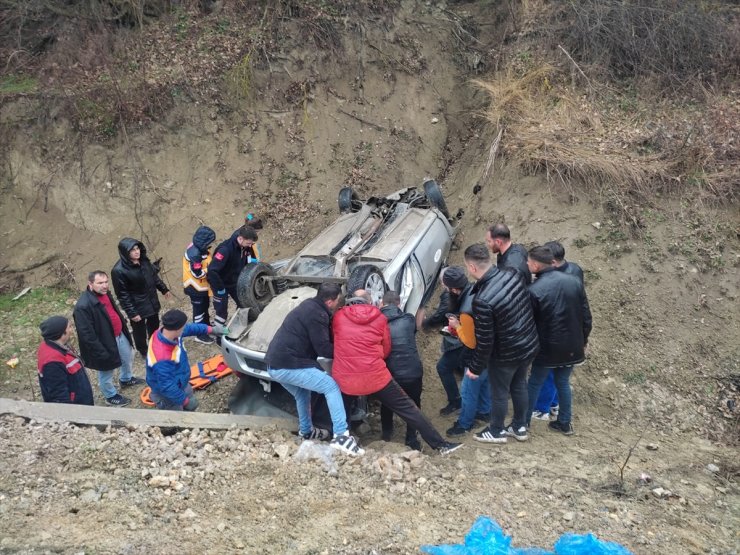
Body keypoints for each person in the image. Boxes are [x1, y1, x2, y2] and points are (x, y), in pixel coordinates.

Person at [332, 291, 463, 455]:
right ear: (372, 302)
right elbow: (386, 349)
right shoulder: (380, 319)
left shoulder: (338, 317)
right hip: (376, 377)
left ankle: (339, 443)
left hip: (346, 378)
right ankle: (441, 445)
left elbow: (335, 340)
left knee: (340, 410)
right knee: (409, 409)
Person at [264, 283, 364, 456]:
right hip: (287, 364)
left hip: (274, 364)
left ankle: (306, 432)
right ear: (331, 302)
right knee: (330, 386)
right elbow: (323, 349)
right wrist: (348, 350)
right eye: (338, 301)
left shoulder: (308, 305)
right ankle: (341, 436)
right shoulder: (318, 315)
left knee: (302, 394)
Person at [463, 243, 539, 444]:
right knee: (519, 385)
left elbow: (485, 340)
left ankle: (496, 431)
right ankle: (519, 426)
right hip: (527, 344)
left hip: (505, 354)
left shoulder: (482, 300)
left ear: (472, 268)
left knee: (499, 393)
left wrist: (475, 367)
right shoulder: (513, 274)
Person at [525, 246, 592, 435]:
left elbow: (529, 325)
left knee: (535, 382)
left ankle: (522, 423)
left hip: (547, 348)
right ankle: (564, 422)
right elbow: (586, 316)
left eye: (529, 262)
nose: (527, 264)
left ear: (536, 265)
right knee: (562, 382)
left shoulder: (534, 290)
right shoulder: (574, 281)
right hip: (573, 346)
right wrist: (583, 340)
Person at [74, 271, 143, 406]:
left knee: (128, 356)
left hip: (119, 334)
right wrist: (100, 351)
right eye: (100, 283)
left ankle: (126, 379)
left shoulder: (106, 293)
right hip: (105, 341)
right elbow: (86, 334)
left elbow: (112, 311)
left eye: (106, 282)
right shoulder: (83, 306)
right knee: (106, 369)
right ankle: (110, 396)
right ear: (90, 284)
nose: (105, 286)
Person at [441, 268, 492, 437]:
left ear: (454, 289)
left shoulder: (466, 310)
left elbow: (470, 342)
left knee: (468, 392)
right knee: (484, 383)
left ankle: (464, 424)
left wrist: (457, 326)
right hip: (490, 347)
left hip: (476, 354)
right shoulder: (477, 289)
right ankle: (485, 412)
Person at [145, 309, 228, 411]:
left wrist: (211, 330)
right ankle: (175, 426)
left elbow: (189, 328)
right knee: (176, 416)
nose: (185, 328)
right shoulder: (162, 358)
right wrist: (185, 401)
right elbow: (167, 386)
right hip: (166, 394)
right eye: (183, 326)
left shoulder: (167, 332)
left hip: (180, 380)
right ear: (177, 329)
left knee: (188, 398)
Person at [111, 238, 172, 359]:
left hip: (151, 300)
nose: (136, 252)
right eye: (132, 250)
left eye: (137, 248)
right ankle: (144, 350)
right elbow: (122, 295)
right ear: (125, 252)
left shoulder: (144, 261)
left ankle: (155, 344)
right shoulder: (118, 270)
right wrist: (132, 312)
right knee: (139, 330)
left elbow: (153, 277)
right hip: (137, 305)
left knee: (154, 324)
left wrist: (163, 289)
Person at [379, 290, 424, 450]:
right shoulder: (409, 319)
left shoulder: (377, 323)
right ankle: (411, 439)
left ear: (381, 304)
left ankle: (386, 434)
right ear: (399, 304)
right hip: (413, 371)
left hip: (390, 372)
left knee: (386, 403)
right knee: (414, 404)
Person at [420, 268, 464, 416]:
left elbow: (442, 313)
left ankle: (455, 401)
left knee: (443, 367)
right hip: (459, 332)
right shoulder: (468, 288)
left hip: (458, 336)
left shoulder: (448, 294)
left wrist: (426, 323)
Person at [207, 225, 259, 329]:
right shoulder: (225, 250)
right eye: (248, 243)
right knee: (221, 311)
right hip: (220, 283)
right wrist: (220, 288)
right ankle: (218, 333)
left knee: (243, 302)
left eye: (251, 244)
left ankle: (238, 325)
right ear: (240, 238)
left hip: (234, 282)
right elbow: (212, 271)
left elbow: (247, 260)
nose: (250, 246)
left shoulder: (245, 247)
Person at [36, 316, 94, 405]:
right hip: (77, 407)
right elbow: (59, 397)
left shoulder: (57, 344)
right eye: (69, 327)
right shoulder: (52, 362)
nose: (72, 329)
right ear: (62, 333)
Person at [183, 225, 217, 344]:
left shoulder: (198, 247)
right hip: (195, 287)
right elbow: (197, 273)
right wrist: (210, 271)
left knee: (204, 307)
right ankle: (199, 334)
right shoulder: (195, 254)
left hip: (201, 287)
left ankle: (206, 327)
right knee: (199, 311)